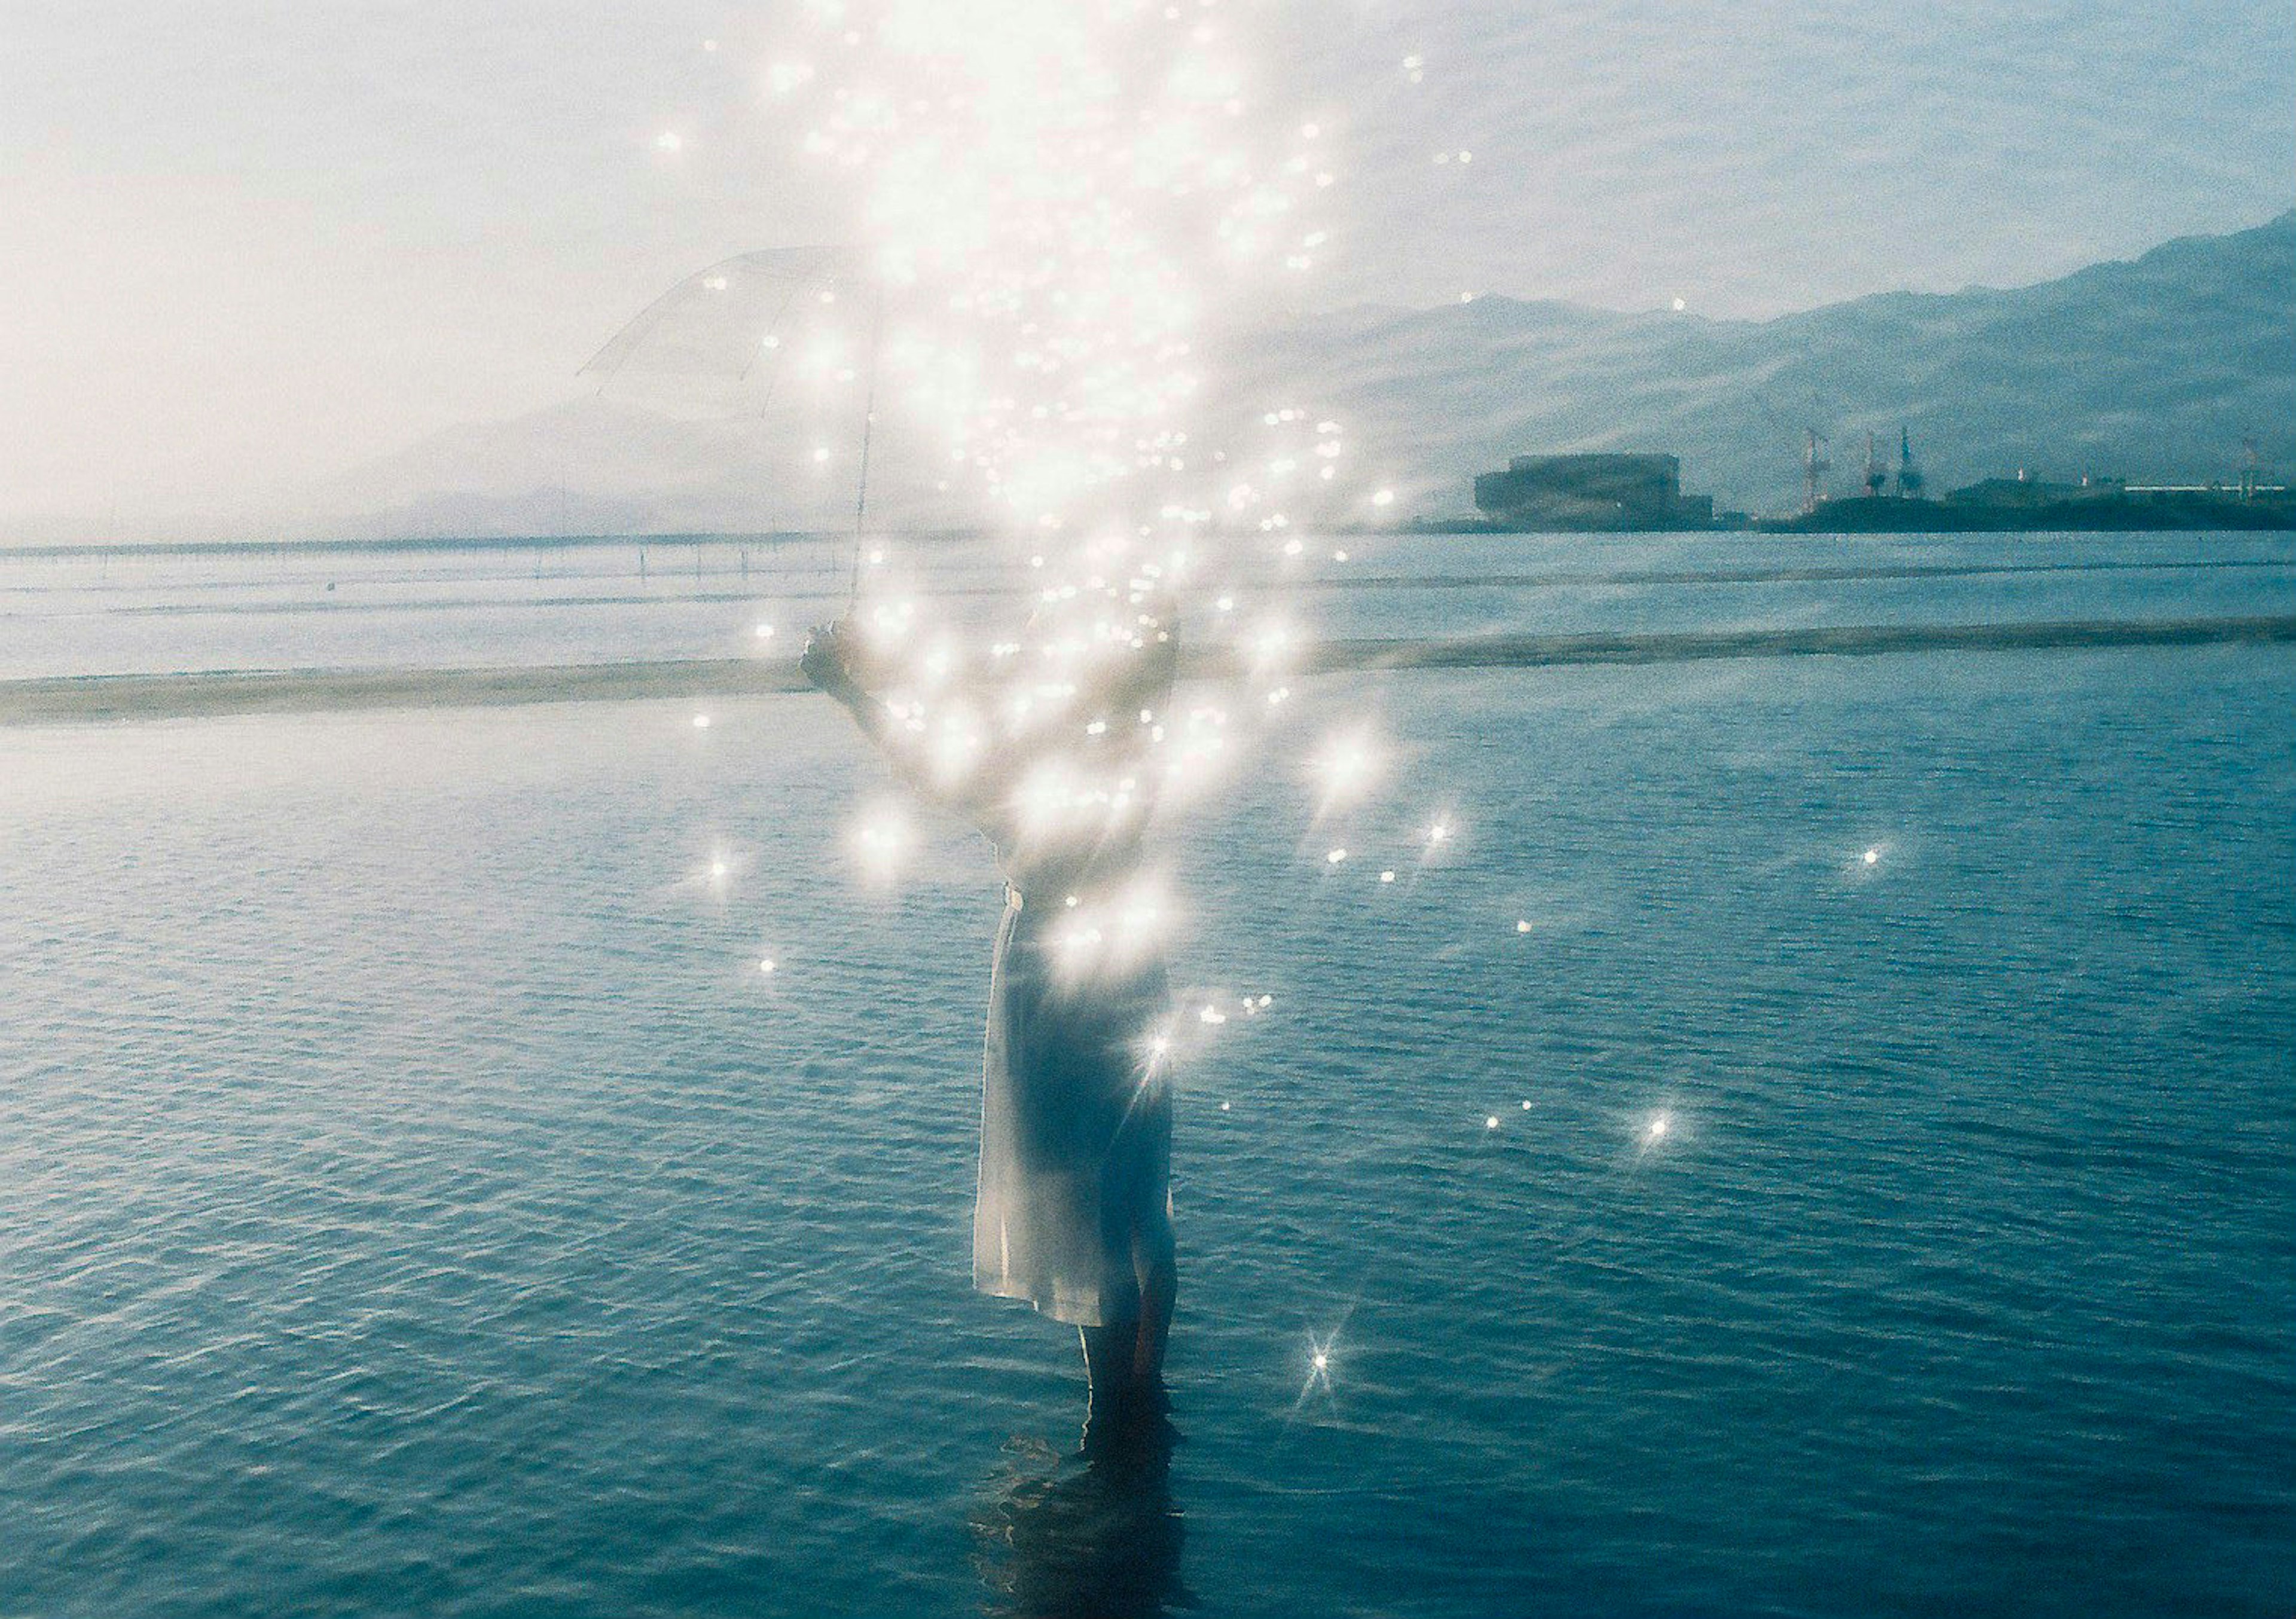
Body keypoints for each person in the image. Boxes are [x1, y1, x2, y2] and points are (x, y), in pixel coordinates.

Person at [802, 596, 1180, 1443]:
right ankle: (1140, 1395)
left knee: (1084, 1193)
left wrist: (852, 685)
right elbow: (1155, 665)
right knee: (1134, 1184)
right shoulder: (1127, 750)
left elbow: (927, 758)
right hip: (1123, 957)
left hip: (1054, 978)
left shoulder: (1033, 773)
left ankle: (1118, 1405)